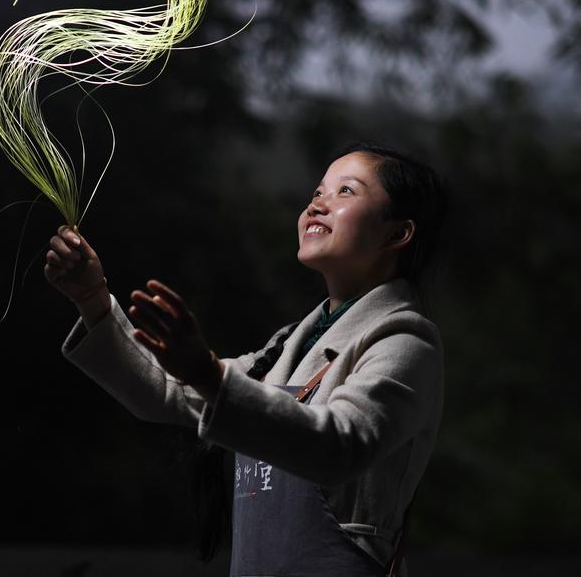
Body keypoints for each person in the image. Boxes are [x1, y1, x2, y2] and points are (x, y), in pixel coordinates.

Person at [44, 143, 447, 576]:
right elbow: (162, 391)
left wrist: (208, 374)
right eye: (317, 192)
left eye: (346, 192)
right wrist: (92, 299)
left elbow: (339, 446)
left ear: (397, 234)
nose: (318, 204)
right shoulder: (288, 348)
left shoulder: (406, 340)